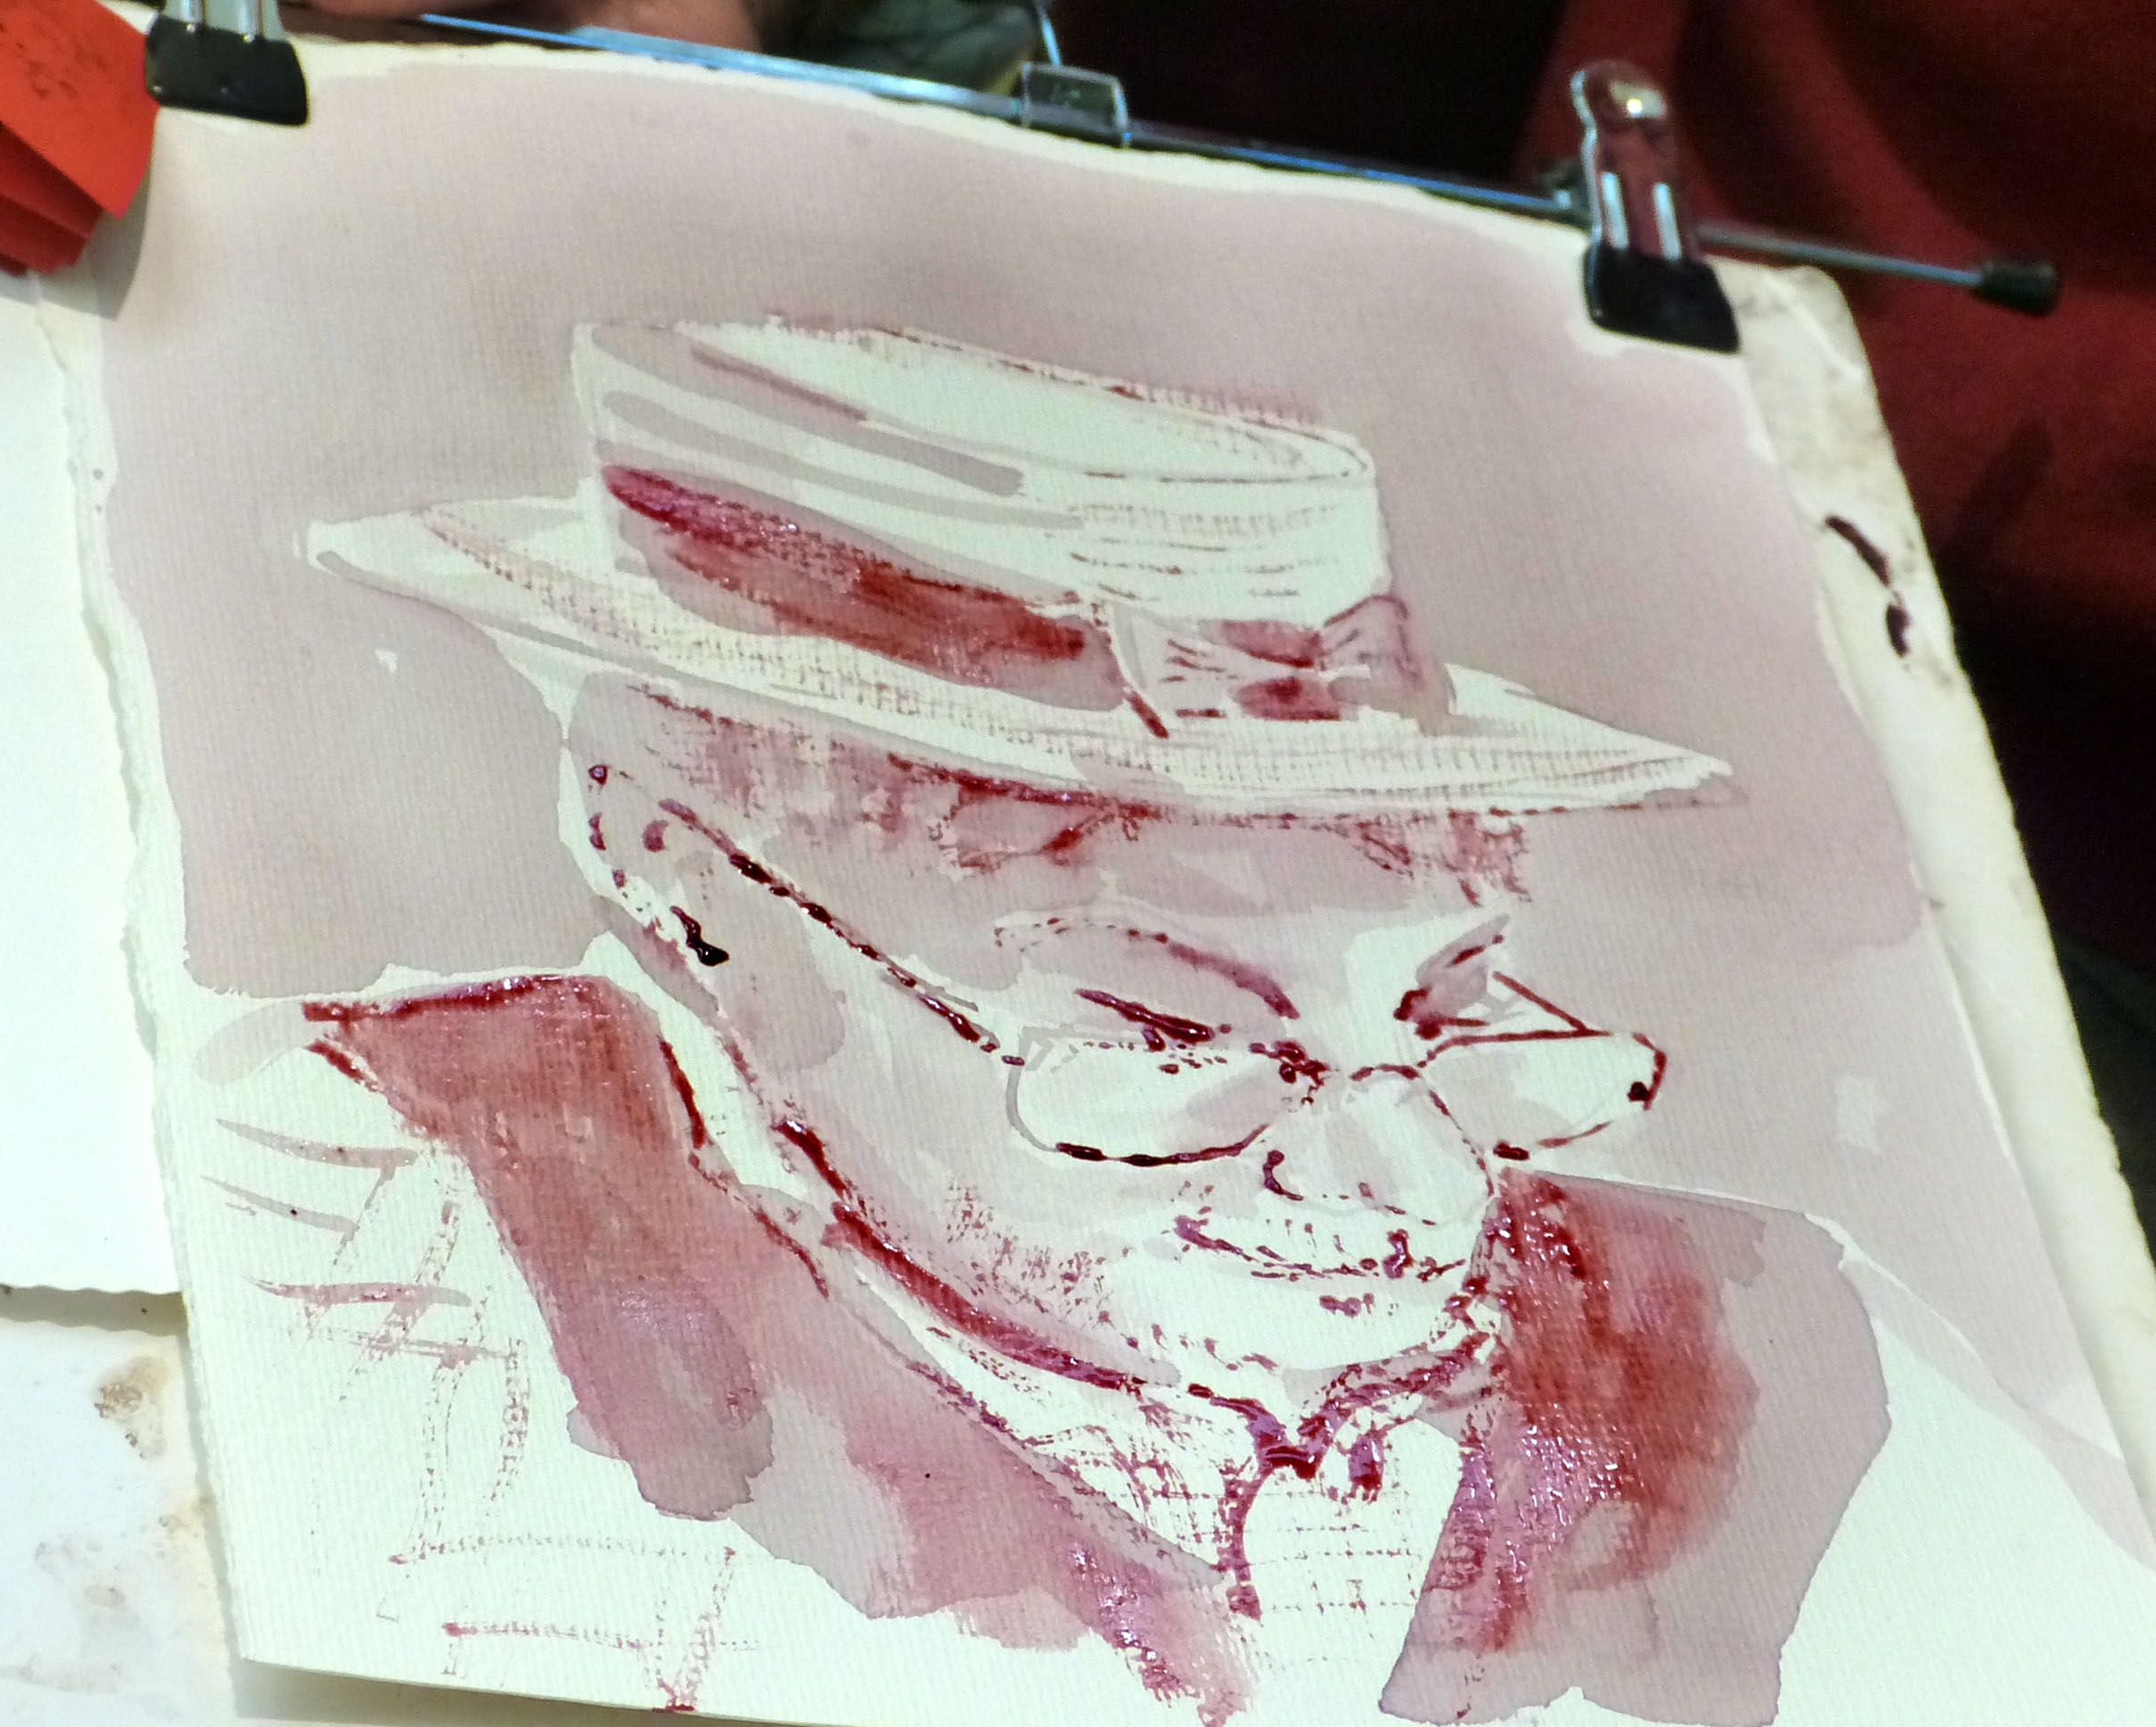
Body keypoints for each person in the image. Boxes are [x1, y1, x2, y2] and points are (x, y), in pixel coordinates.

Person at [273, 322, 1889, 1723]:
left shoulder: (1754, 1341)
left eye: (1454, 1021)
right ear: (684, 878)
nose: (1419, 1191)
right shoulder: (374, 1244)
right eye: (1180, 1047)